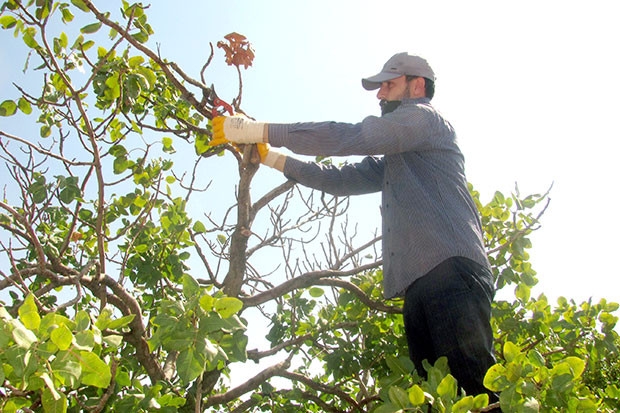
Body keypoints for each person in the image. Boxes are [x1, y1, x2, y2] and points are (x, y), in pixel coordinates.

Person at [211, 52, 499, 404]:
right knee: (441, 400)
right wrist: (270, 156)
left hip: (450, 271)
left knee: (477, 392)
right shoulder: (401, 154)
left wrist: (259, 129)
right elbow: (341, 179)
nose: (380, 95)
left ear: (417, 86)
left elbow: (350, 137)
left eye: (388, 85)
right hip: (421, 284)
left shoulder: (424, 119)